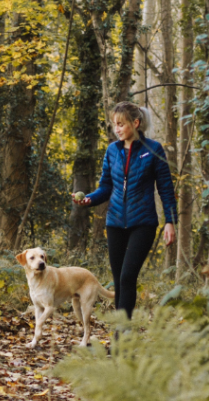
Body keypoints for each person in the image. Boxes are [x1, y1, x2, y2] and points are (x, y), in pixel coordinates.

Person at [73, 101, 177, 318]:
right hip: (115, 224)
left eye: (121, 124)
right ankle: (121, 337)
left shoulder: (153, 150)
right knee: (120, 279)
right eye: (114, 124)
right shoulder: (112, 151)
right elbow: (106, 187)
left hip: (144, 224)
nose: (117, 129)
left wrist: (170, 221)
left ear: (136, 123)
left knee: (128, 276)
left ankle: (122, 334)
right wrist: (89, 200)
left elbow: (166, 188)